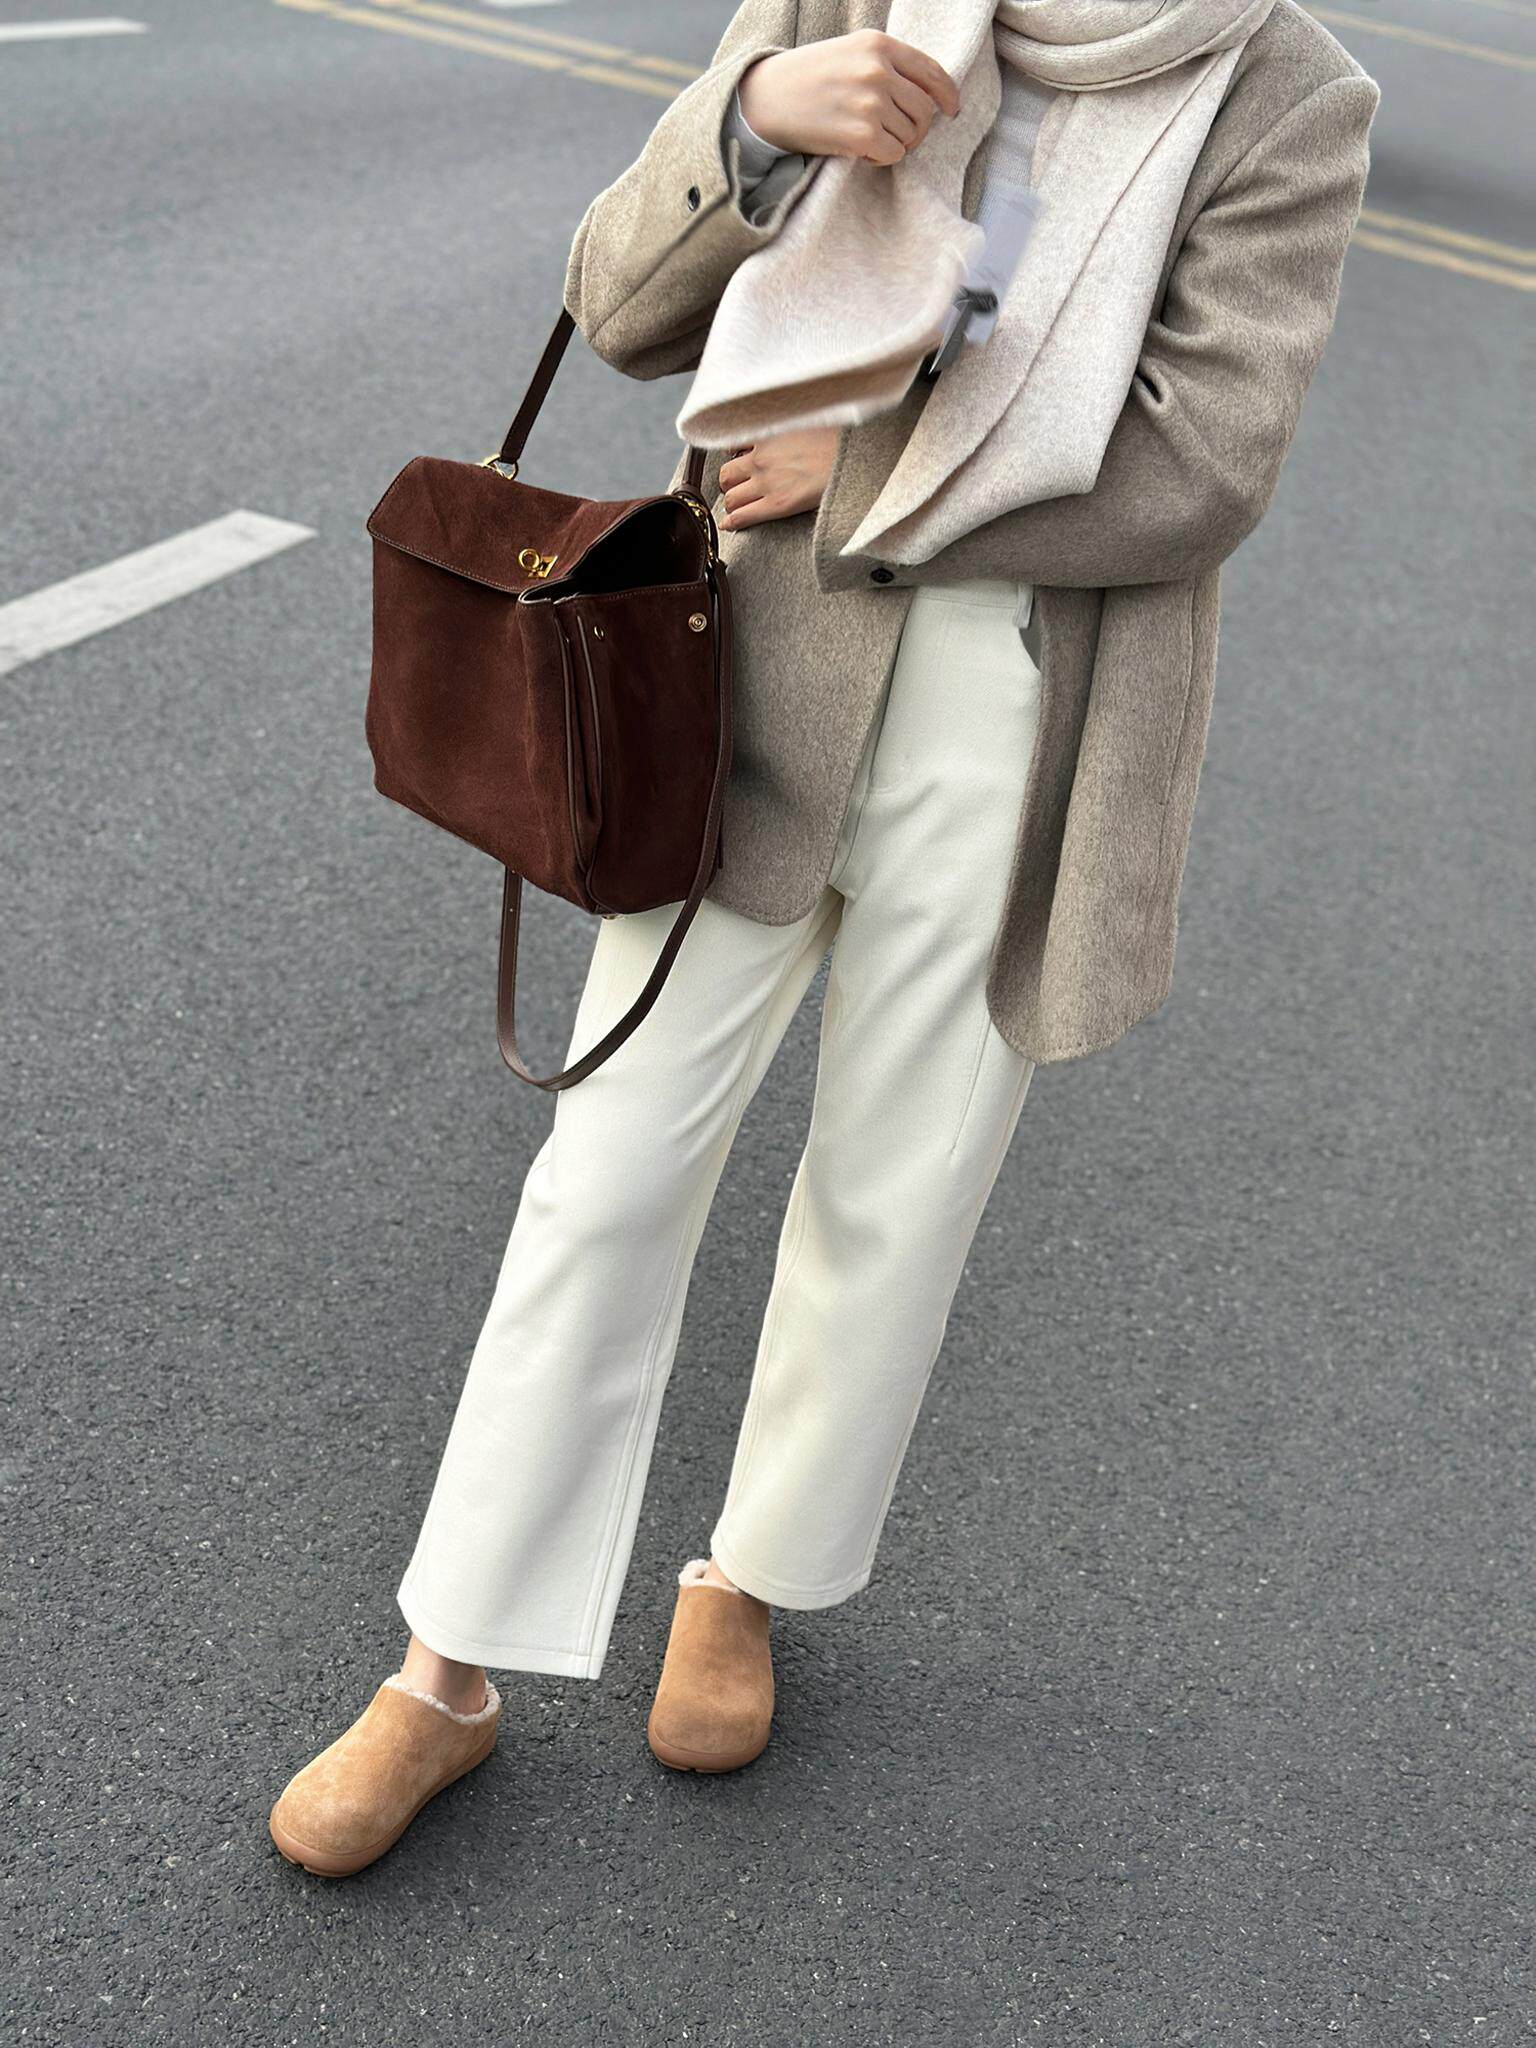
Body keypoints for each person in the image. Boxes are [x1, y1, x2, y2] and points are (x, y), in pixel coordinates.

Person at [270, 0, 1377, 1878]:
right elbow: (620, 301)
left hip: (1025, 718)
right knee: (609, 1171)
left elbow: (1207, 463)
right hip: (739, 692)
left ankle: (747, 1578)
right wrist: (764, 111)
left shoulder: (1284, 90)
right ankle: (444, 1668)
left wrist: (867, 479)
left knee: (895, 1191)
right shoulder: (843, 3)